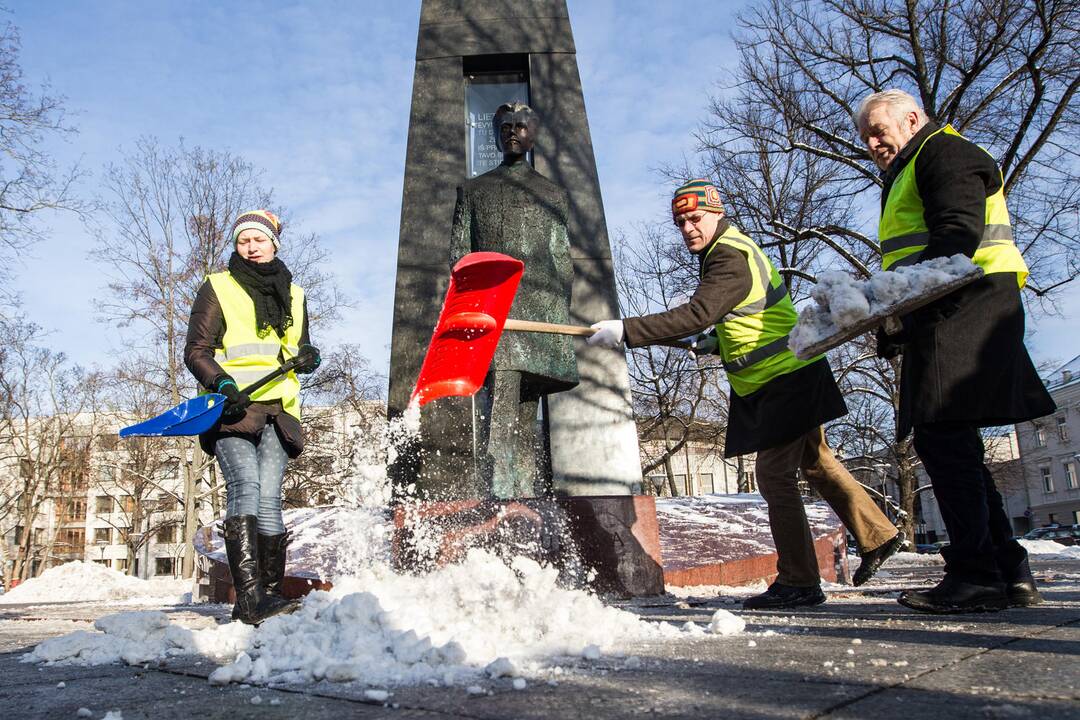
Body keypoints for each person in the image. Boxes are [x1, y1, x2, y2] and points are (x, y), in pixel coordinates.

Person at [588, 180, 903, 609]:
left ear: (717, 213)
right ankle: (878, 536)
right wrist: (717, 340)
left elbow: (700, 311)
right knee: (816, 462)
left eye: (695, 218)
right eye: (680, 222)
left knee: (774, 476)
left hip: (785, 379)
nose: (687, 228)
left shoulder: (728, 257)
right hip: (787, 376)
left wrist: (628, 331)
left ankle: (799, 581)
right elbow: (750, 315)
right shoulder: (733, 251)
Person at [856, 90, 1057, 613]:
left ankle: (975, 576)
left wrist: (889, 301)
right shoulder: (911, 167)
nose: (873, 143)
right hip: (956, 308)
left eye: (880, 130)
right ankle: (1008, 569)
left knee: (942, 437)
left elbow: (957, 235)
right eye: (866, 137)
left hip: (964, 306)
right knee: (957, 443)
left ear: (913, 118)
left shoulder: (943, 152)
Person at [184, 209, 321, 624]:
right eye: (244, 241)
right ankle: (250, 598)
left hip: (279, 410)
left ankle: (270, 596)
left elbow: (298, 348)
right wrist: (221, 384)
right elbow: (196, 350)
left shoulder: (294, 295)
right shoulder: (218, 287)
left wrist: (309, 356)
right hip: (233, 407)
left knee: (269, 499)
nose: (251, 247)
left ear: (273, 244)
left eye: (258, 240)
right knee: (244, 487)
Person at [449, 102, 578, 498]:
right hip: (495, 309)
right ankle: (501, 490)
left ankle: (522, 489)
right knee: (501, 397)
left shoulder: (552, 194)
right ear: (495, 133)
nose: (512, 131)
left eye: (521, 125)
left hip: (540, 313)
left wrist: (558, 313)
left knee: (525, 404)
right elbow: (460, 255)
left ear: (533, 133)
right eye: (505, 125)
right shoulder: (473, 191)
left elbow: (562, 258)